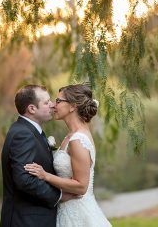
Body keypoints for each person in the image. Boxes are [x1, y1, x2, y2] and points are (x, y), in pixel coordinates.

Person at [24, 84, 112, 227]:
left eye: (58, 101)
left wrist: (45, 175)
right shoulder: (70, 136)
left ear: (72, 106)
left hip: (79, 214)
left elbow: (81, 186)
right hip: (66, 210)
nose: (53, 105)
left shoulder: (78, 139)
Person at [0, 85, 64, 227]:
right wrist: (58, 196)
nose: (52, 105)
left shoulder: (27, 131)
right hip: (26, 221)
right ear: (32, 109)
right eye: (47, 102)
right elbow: (24, 180)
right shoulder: (23, 134)